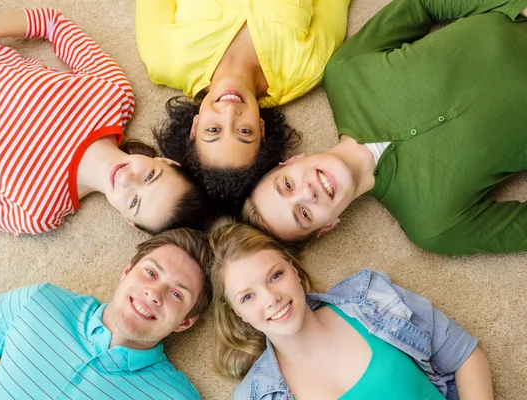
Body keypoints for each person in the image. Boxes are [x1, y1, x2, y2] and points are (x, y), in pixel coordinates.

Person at [243, 0, 527, 255]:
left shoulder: (346, 72)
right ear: (327, 227)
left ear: (291, 161)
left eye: (288, 185)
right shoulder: (434, 226)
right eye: (304, 214)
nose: (307, 193)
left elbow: (423, 4)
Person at [0, 3, 207, 236]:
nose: (127, 180)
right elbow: (51, 23)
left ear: (129, 220)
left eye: (134, 201)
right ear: (165, 161)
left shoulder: (37, 212)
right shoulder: (115, 97)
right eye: (150, 176)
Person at [210, 224, 493, 400]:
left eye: (275, 276)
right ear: (238, 314)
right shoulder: (254, 395)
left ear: (294, 270)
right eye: (248, 296)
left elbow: (463, 355)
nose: (271, 298)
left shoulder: (372, 297)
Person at [0, 227, 213, 400]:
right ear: (125, 273)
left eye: (177, 294)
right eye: (150, 272)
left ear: (186, 322)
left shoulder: (175, 396)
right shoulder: (39, 302)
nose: (154, 293)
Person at [135, 0, 351, 214]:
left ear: (195, 126)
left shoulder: (163, 58)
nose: (230, 112)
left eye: (213, 130)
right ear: (262, 129)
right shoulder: (307, 69)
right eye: (244, 131)